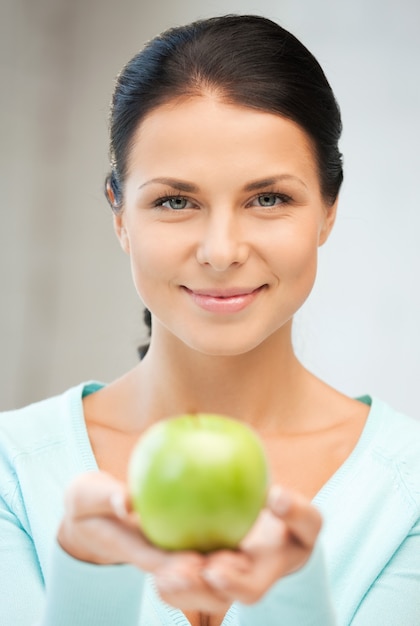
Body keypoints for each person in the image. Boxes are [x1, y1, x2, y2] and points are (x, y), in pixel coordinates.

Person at [0, 14, 419, 626]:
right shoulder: (12, 470)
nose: (221, 251)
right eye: (176, 201)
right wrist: (91, 574)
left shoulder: (409, 491)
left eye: (268, 198)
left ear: (328, 209)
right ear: (119, 213)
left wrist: (290, 592)